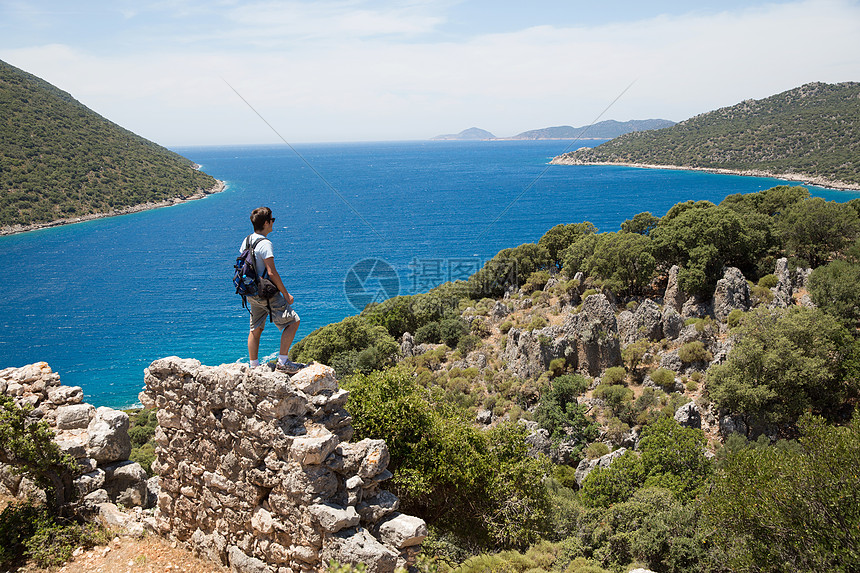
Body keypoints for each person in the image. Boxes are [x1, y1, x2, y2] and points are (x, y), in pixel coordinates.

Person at [241, 206, 306, 374]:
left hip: (251, 291)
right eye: (272, 220)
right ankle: (283, 362)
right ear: (266, 223)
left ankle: (254, 366)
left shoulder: (247, 240)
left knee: (255, 327)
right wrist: (286, 294)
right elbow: (271, 272)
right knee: (293, 322)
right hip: (266, 293)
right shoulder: (265, 244)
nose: (273, 223)